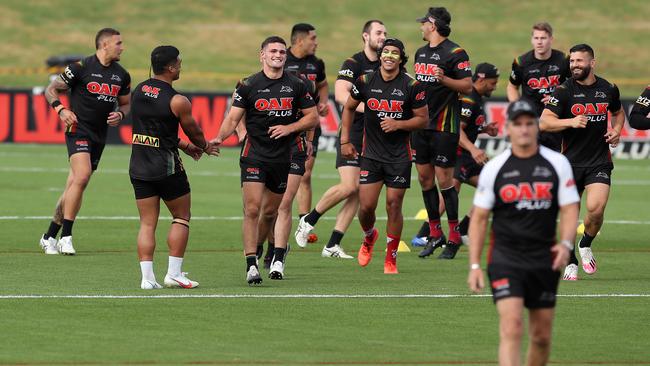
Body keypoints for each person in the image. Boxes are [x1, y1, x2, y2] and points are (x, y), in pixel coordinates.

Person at [468, 99, 580, 366]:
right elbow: (480, 218)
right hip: (506, 259)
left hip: (544, 259)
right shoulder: (495, 168)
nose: (524, 129)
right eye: (517, 124)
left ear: (537, 127)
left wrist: (565, 244)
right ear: (508, 128)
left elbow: (569, 208)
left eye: (529, 123)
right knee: (512, 327)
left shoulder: (557, 163)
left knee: (541, 336)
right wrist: (474, 264)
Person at [213, 36, 318, 284]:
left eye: (282, 51)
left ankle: (276, 256)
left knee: (275, 210)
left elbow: (312, 117)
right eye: (273, 51)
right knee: (251, 210)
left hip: (286, 155)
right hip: (255, 154)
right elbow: (232, 118)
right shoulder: (248, 84)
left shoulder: (297, 84)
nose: (278, 54)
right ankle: (251, 264)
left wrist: (290, 128)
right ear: (262, 55)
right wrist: (219, 137)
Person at [295, 20, 387, 258]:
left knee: (358, 192)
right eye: (378, 33)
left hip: (377, 139)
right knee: (349, 186)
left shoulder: (389, 64)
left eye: (385, 33)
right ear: (365, 36)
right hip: (353, 133)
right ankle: (308, 220)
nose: (383, 36)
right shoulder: (353, 63)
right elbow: (341, 94)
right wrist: (374, 108)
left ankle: (332, 244)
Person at [129, 46, 218, 289]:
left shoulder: (138, 90)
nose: (180, 66)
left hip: (138, 165)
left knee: (147, 223)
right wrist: (204, 146)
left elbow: (156, 132)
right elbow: (195, 131)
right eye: (178, 62)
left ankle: (147, 279)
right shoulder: (178, 100)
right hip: (166, 167)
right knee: (181, 216)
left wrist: (185, 147)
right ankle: (174, 273)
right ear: (170, 67)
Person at [40, 28, 131, 255]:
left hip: (99, 136)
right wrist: (60, 109)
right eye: (118, 43)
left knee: (75, 185)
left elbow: (127, 104)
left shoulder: (122, 75)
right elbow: (51, 90)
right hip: (77, 129)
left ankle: (49, 235)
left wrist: (120, 114)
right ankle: (67, 236)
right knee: (82, 176)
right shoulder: (80, 68)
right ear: (104, 45)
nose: (122, 47)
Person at [340, 38, 428, 274]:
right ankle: (369, 236)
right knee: (367, 207)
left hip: (400, 156)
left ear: (401, 58)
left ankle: (391, 258)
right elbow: (348, 107)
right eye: (385, 52)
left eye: (394, 53)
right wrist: (344, 140)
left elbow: (422, 119)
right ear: (380, 56)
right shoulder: (366, 80)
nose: (389, 56)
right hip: (371, 153)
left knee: (393, 205)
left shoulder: (412, 85)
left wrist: (399, 124)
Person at [540, 44, 625, 281]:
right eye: (572, 61)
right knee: (569, 215)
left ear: (592, 63)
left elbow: (618, 113)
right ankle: (569, 261)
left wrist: (617, 130)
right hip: (569, 164)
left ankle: (585, 244)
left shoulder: (608, 88)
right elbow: (544, 122)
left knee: (596, 210)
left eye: (579, 61)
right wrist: (570, 122)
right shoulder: (564, 90)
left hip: (598, 161)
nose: (574, 65)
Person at [411, 63, 499, 247]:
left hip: (466, 156)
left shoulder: (476, 98)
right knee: (451, 190)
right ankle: (425, 234)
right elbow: (458, 130)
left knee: (493, 188)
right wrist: (474, 149)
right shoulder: (469, 99)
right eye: (493, 82)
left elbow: (468, 126)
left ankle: (464, 228)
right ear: (481, 80)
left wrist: (484, 129)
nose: (495, 86)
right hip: (458, 154)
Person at [412, 7, 473, 260]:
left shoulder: (456, 53)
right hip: (420, 126)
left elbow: (467, 85)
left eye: (423, 23)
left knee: (445, 182)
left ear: (433, 25)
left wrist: (445, 79)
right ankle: (435, 234)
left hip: (444, 127)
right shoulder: (420, 52)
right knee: (425, 180)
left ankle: (454, 236)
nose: (421, 27)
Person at [256, 73, 319, 269]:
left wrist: (309, 140)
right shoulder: (266, 89)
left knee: (284, 204)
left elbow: (312, 117)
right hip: (269, 151)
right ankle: (260, 246)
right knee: (267, 210)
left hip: (295, 151)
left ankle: (277, 255)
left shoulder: (305, 88)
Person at [285, 23, 329, 243]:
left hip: (310, 125)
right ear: (300, 40)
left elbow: (322, 85)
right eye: (313, 38)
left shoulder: (316, 63)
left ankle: (304, 223)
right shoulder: (283, 59)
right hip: (286, 124)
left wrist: (322, 102)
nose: (316, 42)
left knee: (306, 173)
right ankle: (279, 214)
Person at [507, 22, 571, 152]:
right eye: (536, 38)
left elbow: (574, 86)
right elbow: (512, 87)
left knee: (555, 159)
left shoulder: (564, 60)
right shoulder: (521, 62)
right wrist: (518, 107)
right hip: (531, 119)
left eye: (543, 38)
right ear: (532, 40)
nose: (539, 42)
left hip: (555, 119)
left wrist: (557, 98)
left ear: (551, 39)